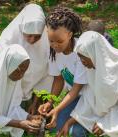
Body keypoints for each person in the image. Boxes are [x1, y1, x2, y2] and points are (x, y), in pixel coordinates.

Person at [58, 31, 118, 137]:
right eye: (79, 56)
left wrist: (106, 124)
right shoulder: (93, 68)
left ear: (94, 52)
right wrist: (69, 122)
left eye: (83, 56)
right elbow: (89, 99)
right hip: (104, 115)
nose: (81, 61)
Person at [38, 6, 88, 137]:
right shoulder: (54, 53)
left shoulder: (81, 53)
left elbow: (77, 88)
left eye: (59, 41)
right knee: (58, 127)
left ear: (70, 34)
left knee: (74, 132)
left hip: (89, 97)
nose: (55, 45)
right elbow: (58, 80)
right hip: (74, 97)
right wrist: (50, 102)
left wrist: (58, 109)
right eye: (51, 41)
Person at [0, 4, 53, 114]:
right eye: (28, 35)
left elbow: (48, 73)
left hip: (36, 91)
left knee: (38, 117)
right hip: (10, 91)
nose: (32, 40)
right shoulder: (7, 40)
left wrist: (36, 101)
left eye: (37, 36)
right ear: (21, 28)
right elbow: (1, 72)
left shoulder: (47, 41)